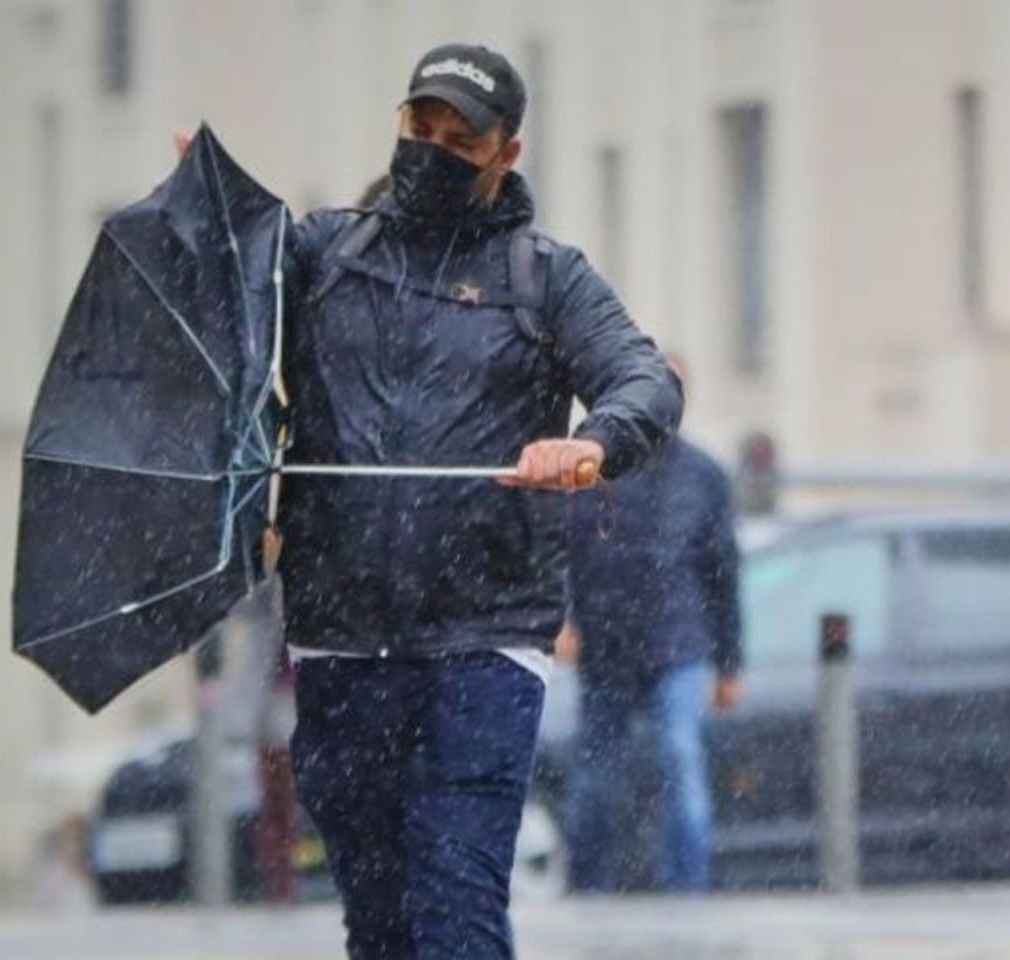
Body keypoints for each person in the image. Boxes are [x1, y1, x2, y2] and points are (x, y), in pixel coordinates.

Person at [178, 43, 681, 957]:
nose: (435, 147)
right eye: (423, 126)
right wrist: (200, 231)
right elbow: (222, 338)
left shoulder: (546, 277)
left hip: (482, 643)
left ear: (505, 154)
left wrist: (592, 442)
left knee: (457, 911)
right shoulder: (322, 252)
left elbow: (644, 383)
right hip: (340, 641)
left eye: (462, 137)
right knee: (378, 921)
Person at [557, 357, 742, 894]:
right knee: (595, 780)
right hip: (605, 645)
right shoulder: (594, 469)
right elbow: (559, 551)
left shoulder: (704, 476)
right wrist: (561, 618)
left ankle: (686, 889)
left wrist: (729, 663)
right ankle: (587, 886)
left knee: (680, 760)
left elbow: (723, 573)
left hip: (678, 644)